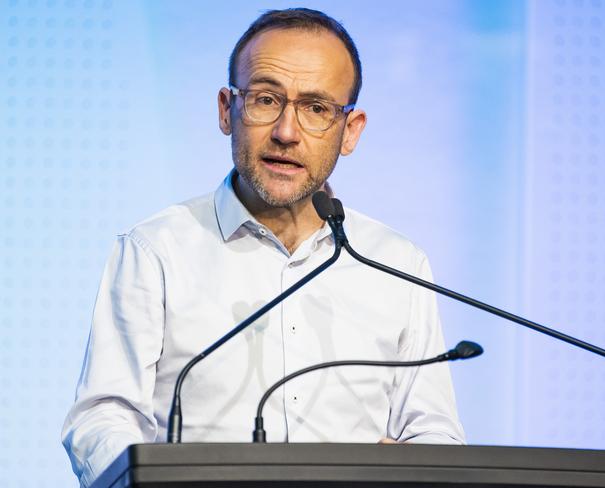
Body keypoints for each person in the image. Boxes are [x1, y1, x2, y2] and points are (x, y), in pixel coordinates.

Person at [62, 8, 465, 487]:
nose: (286, 132)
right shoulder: (157, 250)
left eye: (316, 108)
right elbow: (102, 417)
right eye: (265, 99)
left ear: (350, 130)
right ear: (225, 110)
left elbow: (432, 430)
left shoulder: (397, 263)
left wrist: (414, 468)